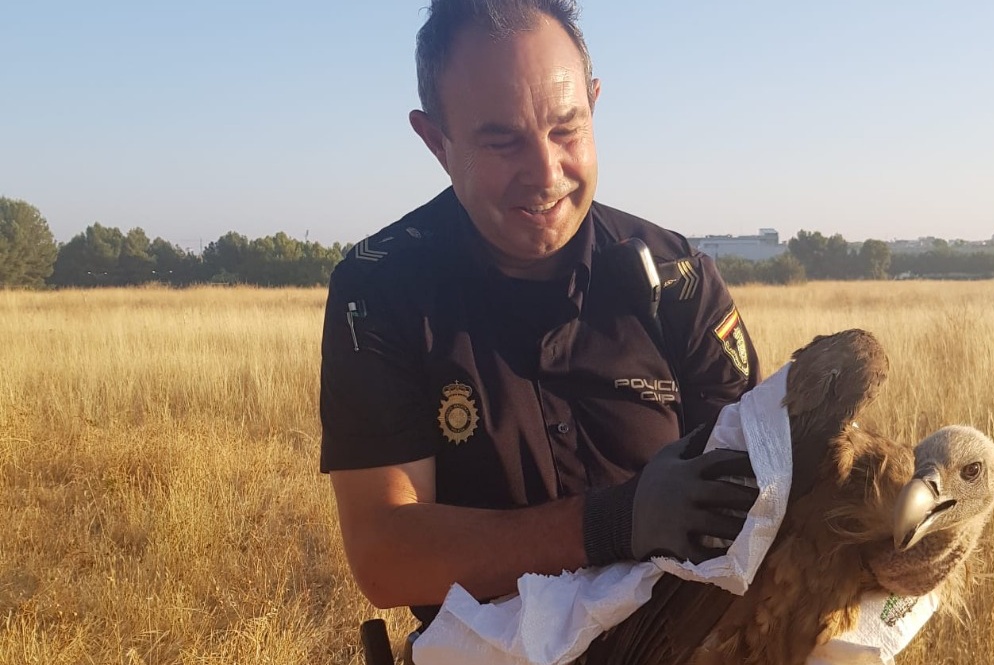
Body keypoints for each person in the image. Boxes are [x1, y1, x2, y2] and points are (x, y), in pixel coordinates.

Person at [319, 0, 762, 638]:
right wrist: (614, 522)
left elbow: (760, 491)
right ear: (436, 142)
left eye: (565, 129)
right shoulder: (379, 293)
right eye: (501, 140)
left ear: (595, 104)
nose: (546, 173)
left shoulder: (678, 281)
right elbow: (385, 555)